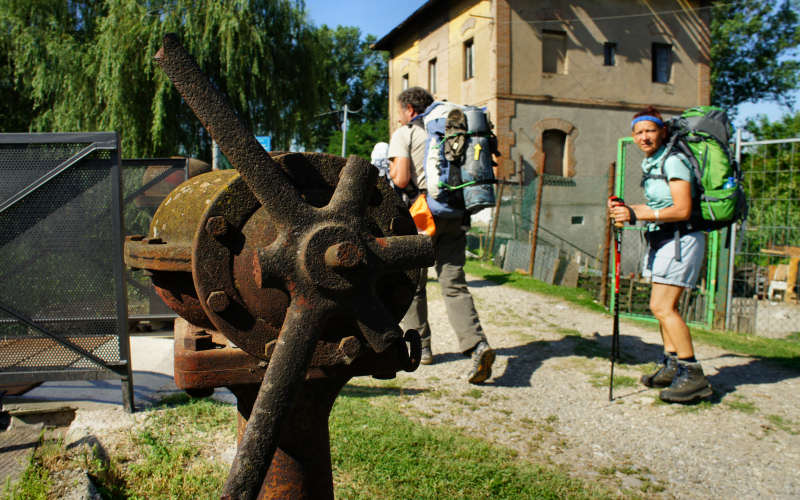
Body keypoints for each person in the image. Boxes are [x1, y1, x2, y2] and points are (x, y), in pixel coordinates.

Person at [388, 86, 496, 384]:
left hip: (423, 214)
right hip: (455, 213)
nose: (399, 117)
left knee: (413, 282)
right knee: (454, 282)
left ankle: (421, 347)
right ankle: (477, 345)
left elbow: (401, 177)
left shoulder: (407, 133)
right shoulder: (450, 127)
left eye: (400, 111)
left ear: (410, 109)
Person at [608, 106, 713, 403]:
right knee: (661, 308)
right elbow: (654, 208)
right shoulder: (653, 162)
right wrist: (626, 210)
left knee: (663, 307)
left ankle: (693, 375)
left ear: (662, 131)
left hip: (682, 239)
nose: (644, 137)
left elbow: (681, 209)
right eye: (639, 132)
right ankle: (672, 364)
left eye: (650, 131)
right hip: (664, 239)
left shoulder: (674, 161)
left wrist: (642, 213)